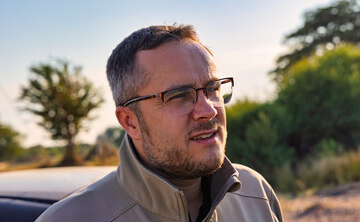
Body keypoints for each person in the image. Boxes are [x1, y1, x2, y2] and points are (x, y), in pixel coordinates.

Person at [36, 24, 283, 222]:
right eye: (178, 96)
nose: (208, 110)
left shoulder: (255, 193)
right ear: (130, 122)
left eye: (213, 88)